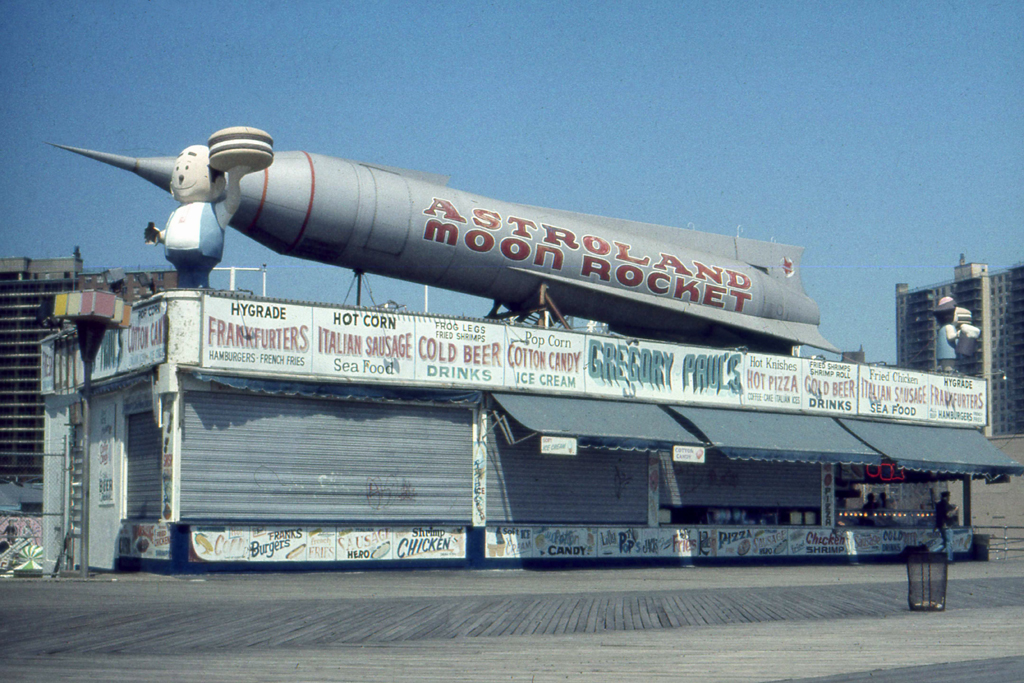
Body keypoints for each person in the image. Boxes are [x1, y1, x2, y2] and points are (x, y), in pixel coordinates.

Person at [934, 491, 958, 562]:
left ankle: (933, 552)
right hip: (946, 526)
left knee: (945, 543)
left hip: (940, 526)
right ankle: (949, 558)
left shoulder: (938, 505)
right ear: (946, 497)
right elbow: (948, 515)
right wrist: (954, 511)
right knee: (949, 543)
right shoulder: (946, 505)